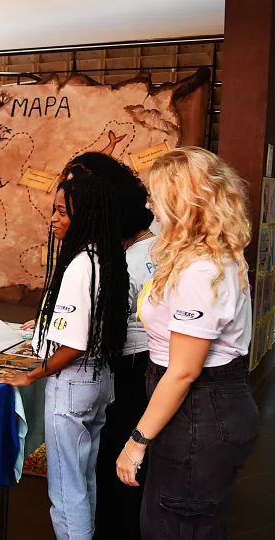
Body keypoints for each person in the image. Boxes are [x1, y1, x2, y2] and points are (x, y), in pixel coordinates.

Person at [117, 147, 259, 539]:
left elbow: (183, 372)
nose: (149, 206)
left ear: (183, 201)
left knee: (175, 526)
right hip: (202, 408)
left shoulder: (200, 269)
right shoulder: (204, 255)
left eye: (154, 195)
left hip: (200, 409)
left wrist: (136, 440)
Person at [0, 163, 129, 540]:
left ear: (83, 216)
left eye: (61, 212)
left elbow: (74, 342)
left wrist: (32, 374)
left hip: (72, 383)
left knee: (65, 491)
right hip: (99, 378)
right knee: (83, 478)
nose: (52, 220)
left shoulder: (79, 265)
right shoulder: (105, 256)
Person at [68, 154, 156, 540]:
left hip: (131, 371)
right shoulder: (158, 247)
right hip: (147, 368)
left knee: (118, 467)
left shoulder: (126, 261)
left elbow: (97, 329)